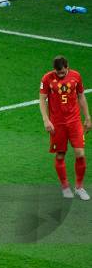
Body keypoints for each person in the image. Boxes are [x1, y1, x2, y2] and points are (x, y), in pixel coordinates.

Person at [39, 55, 91, 200]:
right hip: (57, 123)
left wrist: (87, 117)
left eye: (62, 72)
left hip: (74, 121)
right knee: (60, 154)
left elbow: (81, 96)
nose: (60, 74)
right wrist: (46, 120)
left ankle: (79, 187)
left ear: (67, 66)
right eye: (57, 72)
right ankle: (65, 186)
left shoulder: (76, 76)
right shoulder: (47, 78)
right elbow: (42, 99)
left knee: (80, 154)